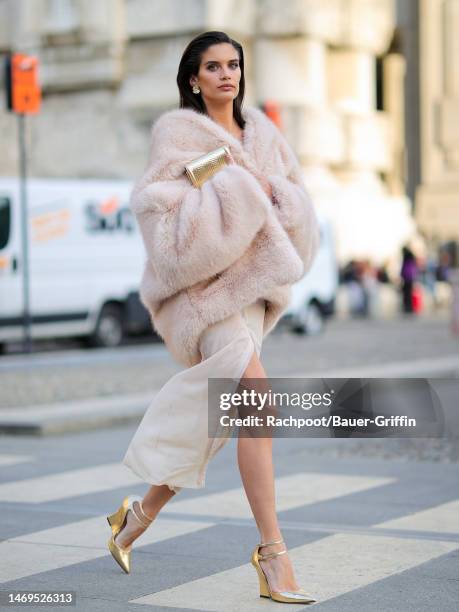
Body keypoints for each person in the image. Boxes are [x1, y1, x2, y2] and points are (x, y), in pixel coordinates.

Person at [106, 30, 320, 605]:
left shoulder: (265, 136)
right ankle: (274, 555)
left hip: (251, 294)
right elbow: (166, 228)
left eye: (234, 65)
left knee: (224, 419)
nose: (227, 75)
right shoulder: (177, 137)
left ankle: (137, 516)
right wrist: (241, 196)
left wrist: (278, 197)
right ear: (193, 79)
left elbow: (300, 208)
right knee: (258, 405)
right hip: (206, 299)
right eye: (213, 67)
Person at [400, 246, 418, 313]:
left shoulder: (406, 257)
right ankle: (409, 307)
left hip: (407, 277)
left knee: (407, 293)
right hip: (410, 277)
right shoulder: (411, 257)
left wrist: (401, 274)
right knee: (409, 293)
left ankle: (407, 306)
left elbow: (403, 268)